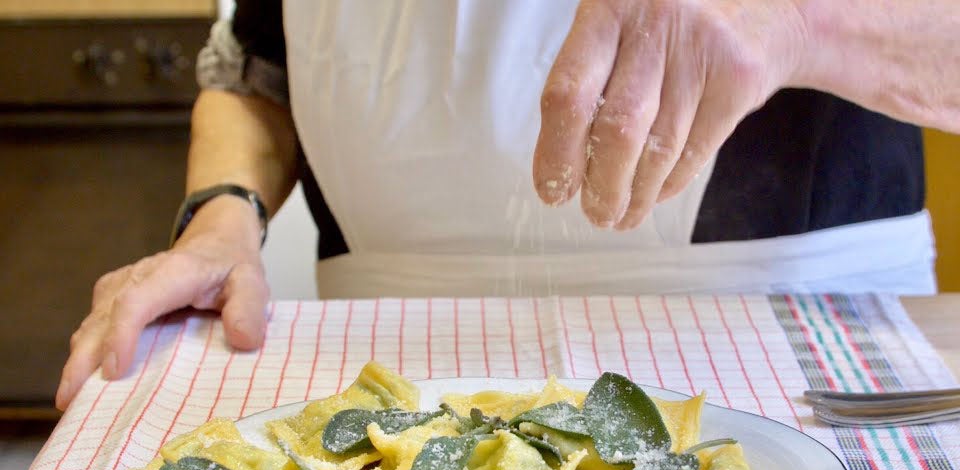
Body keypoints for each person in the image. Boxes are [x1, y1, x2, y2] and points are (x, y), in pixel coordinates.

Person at [55, 0, 960, 411]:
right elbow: (258, 68)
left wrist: (797, 21)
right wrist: (223, 216)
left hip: (799, 349)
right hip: (384, 364)